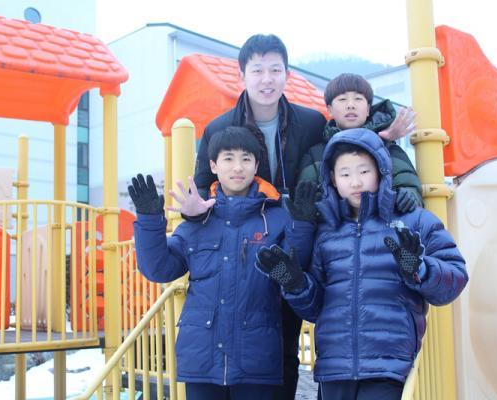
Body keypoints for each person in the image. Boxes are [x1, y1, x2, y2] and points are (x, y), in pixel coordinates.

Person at [255, 128, 468, 400]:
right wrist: (296, 284)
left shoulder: (414, 220)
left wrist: (419, 269)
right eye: (345, 174)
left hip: (388, 368)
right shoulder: (326, 230)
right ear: (332, 179)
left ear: (381, 171)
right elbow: (315, 308)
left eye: (364, 171)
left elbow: (455, 278)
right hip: (334, 369)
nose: (355, 182)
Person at [128, 127, 314, 400]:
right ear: (214, 165)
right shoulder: (198, 220)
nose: (237, 167)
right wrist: (149, 220)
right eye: (228, 158)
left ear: (256, 166)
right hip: (202, 360)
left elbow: (296, 271)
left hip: (257, 360)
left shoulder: (277, 218)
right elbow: (159, 268)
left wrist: (303, 226)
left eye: (246, 159)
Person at [189, 33, 326, 400]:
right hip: (240, 251)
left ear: (287, 75)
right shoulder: (219, 129)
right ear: (242, 75)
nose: (267, 79)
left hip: (293, 244)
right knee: (237, 342)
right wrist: (194, 211)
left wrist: (387, 133)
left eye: (275, 70)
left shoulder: (312, 123)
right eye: (258, 70)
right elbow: (203, 187)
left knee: (285, 345)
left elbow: (345, 151)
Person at [298, 73, 422, 213]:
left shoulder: (388, 148)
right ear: (330, 109)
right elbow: (305, 195)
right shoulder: (315, 155)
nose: (351, 105)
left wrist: (408, 196)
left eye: (358, 99)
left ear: (368, 109)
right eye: (342, 99)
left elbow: (407, 182)